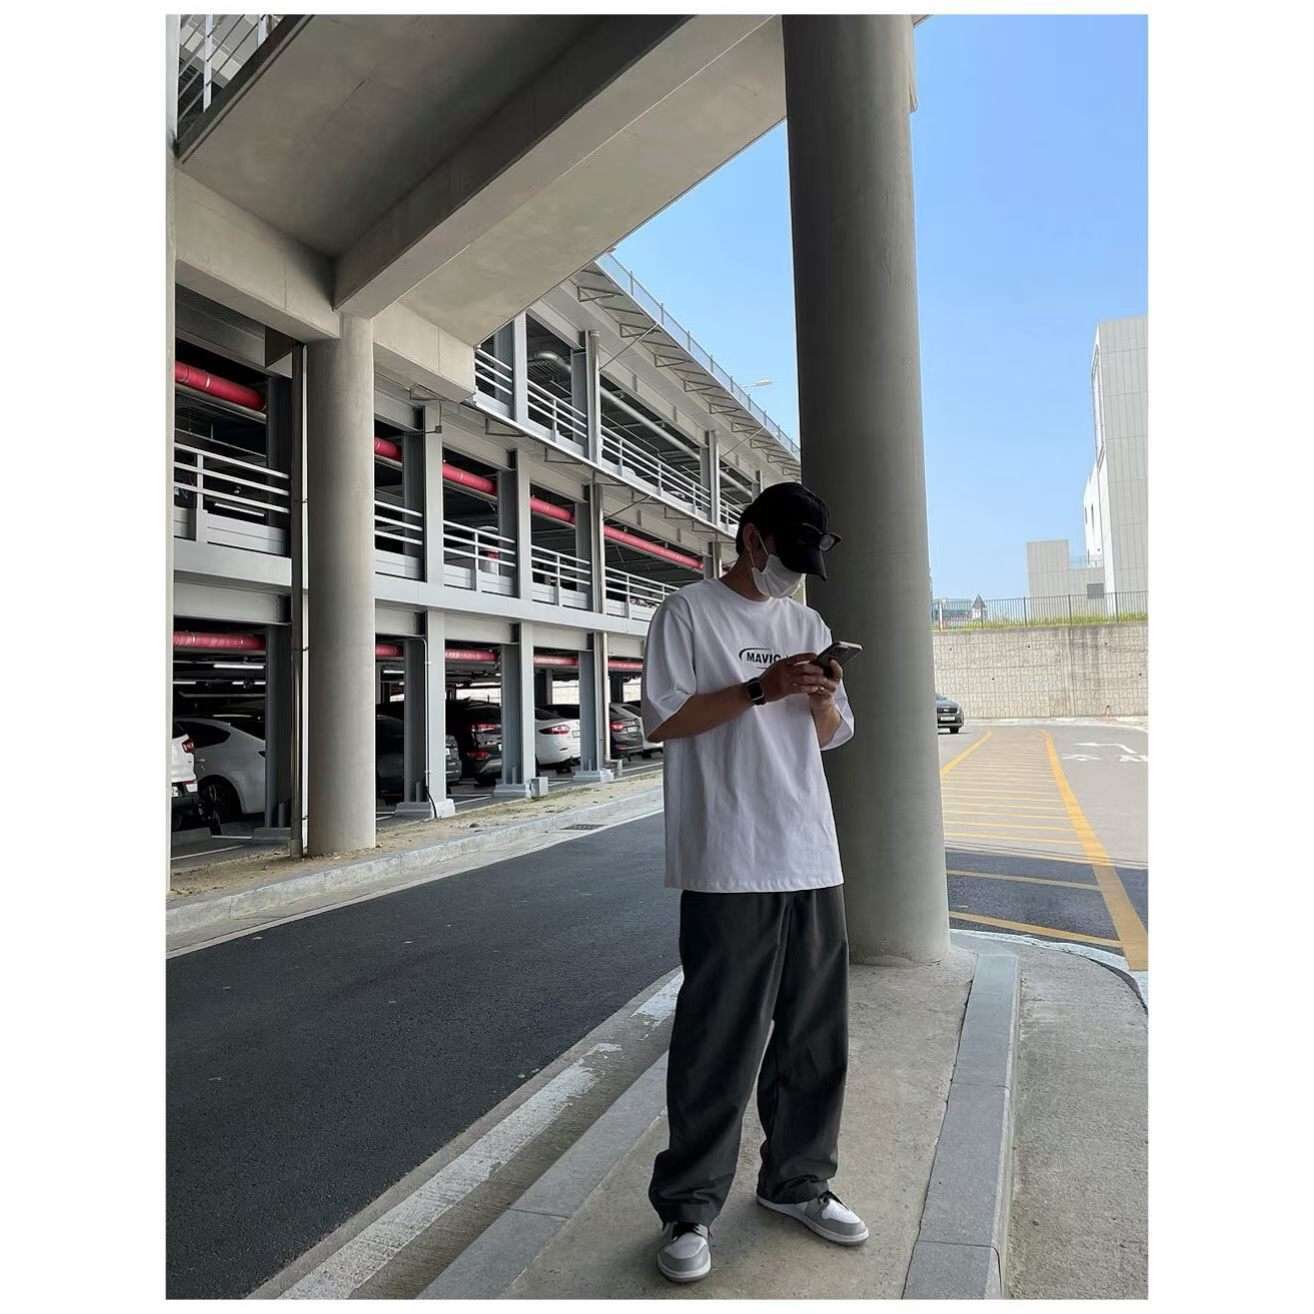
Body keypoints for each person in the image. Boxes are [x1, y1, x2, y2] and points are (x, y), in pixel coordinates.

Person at [640, 481, 868, 1285]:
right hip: (727, 855)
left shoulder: (807, 624)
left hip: (810, 851)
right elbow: (663, 719)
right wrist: (759, 689)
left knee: (815, 1037)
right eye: (785, 557)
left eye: (806, 564)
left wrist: (822, 697)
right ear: (751, 538)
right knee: (718, 1041)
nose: (792, 577)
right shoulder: (686, 614)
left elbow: (831, 735)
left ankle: (796, 1183)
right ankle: (688, 1208)